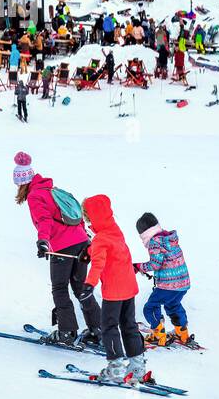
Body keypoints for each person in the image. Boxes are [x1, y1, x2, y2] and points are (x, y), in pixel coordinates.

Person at [14, 153, 101, 347]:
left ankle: (67, 332)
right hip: (82, 243)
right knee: (80, 288)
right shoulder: (52, 189)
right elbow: (73, 216)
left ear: (23, 182)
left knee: (60, 288)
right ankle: (99, 329)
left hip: (63, 248)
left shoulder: (35, 196)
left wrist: (43, 241)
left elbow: (44, 221)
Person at [77, 195, 146, 383]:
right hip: (129, 287)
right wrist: (89, 251)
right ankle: (137, 366)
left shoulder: (100, 239)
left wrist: (88, 285)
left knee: (109, 327)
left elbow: (98, 264)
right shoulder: (115, 230)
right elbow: (110, 249)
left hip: (114, 291)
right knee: (129, 325)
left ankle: (115, 367)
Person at [135, 213, 191, 348]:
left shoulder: (155, 242)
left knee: (150, 307)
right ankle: (182, 334)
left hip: (168, 285)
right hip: (183, 283)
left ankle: (158, 335)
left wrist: (138, 266)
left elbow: (155, 264)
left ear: (143, 233)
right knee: (173, 305)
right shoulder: (169, 238)